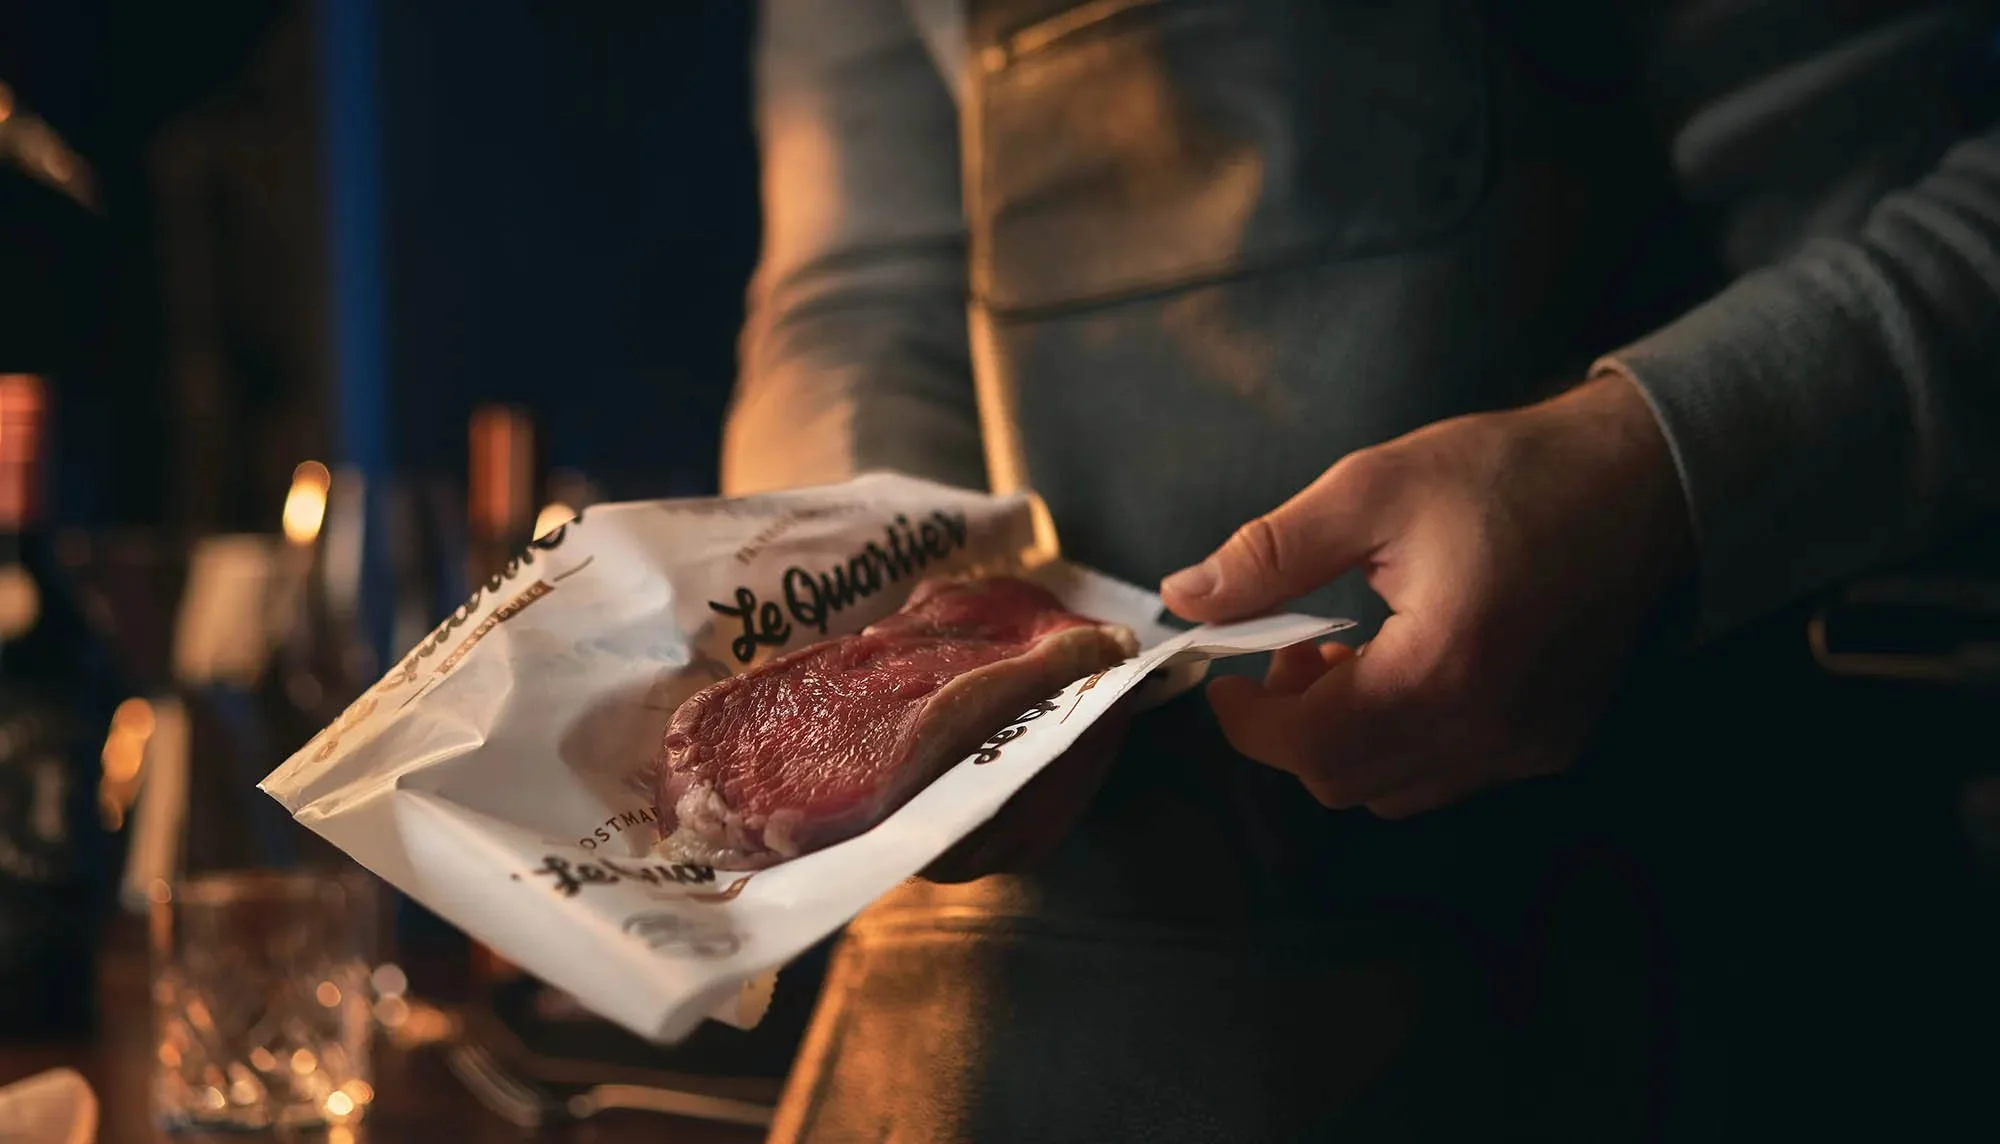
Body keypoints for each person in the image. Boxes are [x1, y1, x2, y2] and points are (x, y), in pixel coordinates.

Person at [724, 1, 2000, 1140]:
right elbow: (859, 294)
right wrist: (870, 658)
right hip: (1024, 981)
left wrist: (1653, 468)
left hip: (1632, 948)